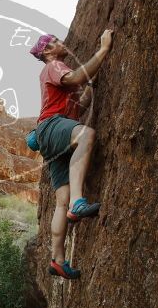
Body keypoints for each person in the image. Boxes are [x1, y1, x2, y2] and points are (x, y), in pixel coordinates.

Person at [29, 30, 113, 279]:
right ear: (47, 51)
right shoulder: (54, 65)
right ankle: (79, 203)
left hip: (54, 135)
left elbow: (80, 105)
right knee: (86, 135)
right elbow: (74, 78)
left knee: (60, 199)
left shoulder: (57, 76)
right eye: (55, 42)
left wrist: (91, 83)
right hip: (53, 126)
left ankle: (57, 259)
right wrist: (103, 49)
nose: (61, 43)